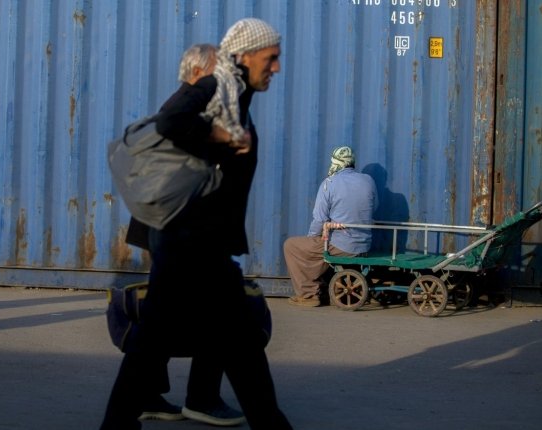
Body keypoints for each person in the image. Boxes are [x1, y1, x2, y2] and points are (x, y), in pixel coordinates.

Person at [100, 18, 292, 430]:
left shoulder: (236, 94)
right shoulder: (214, 85)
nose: (276, 67)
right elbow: (169, 120)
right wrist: (222, 138)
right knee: (232, 344)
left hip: (201, 243)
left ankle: (120, 423)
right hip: (189, 242)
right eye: (271, 58)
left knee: (223, 343)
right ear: (245, 55)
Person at [125, 43, 245, 426]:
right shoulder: (184, 109)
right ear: (197, 73)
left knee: (167, 313)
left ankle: (146, 395)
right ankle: (202, 398)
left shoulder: (188, 108)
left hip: (170, 226)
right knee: (217, 311)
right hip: (179, 228)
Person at [284, 146, 379, 307]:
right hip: (364, 244)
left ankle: (309, 294)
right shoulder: (368, 181)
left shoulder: (329, 183)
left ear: (335, 162)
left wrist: (312, 238)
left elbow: (319, 220)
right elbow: (374, 207)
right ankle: (321, 285)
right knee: (322, 247)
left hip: (341, 245)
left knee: (291, 246)